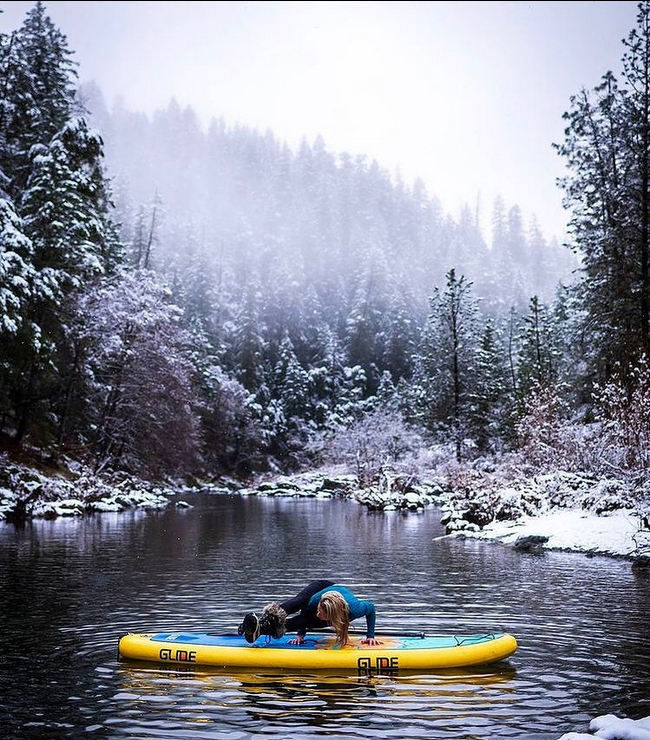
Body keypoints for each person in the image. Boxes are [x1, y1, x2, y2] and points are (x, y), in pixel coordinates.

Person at [238, 579, 382, 647]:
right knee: (299, 601)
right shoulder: (315, 602)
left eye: (321, 612)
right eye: (319, 610)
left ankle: (260, 630)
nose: (318, 613)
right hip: (320, 589)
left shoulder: (355, 609)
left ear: (332, 615)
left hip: (335, 605)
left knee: (297, 623)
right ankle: (262, 623)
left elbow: (371, 608)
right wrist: (301, 635)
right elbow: (303, 611)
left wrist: (370, 636)